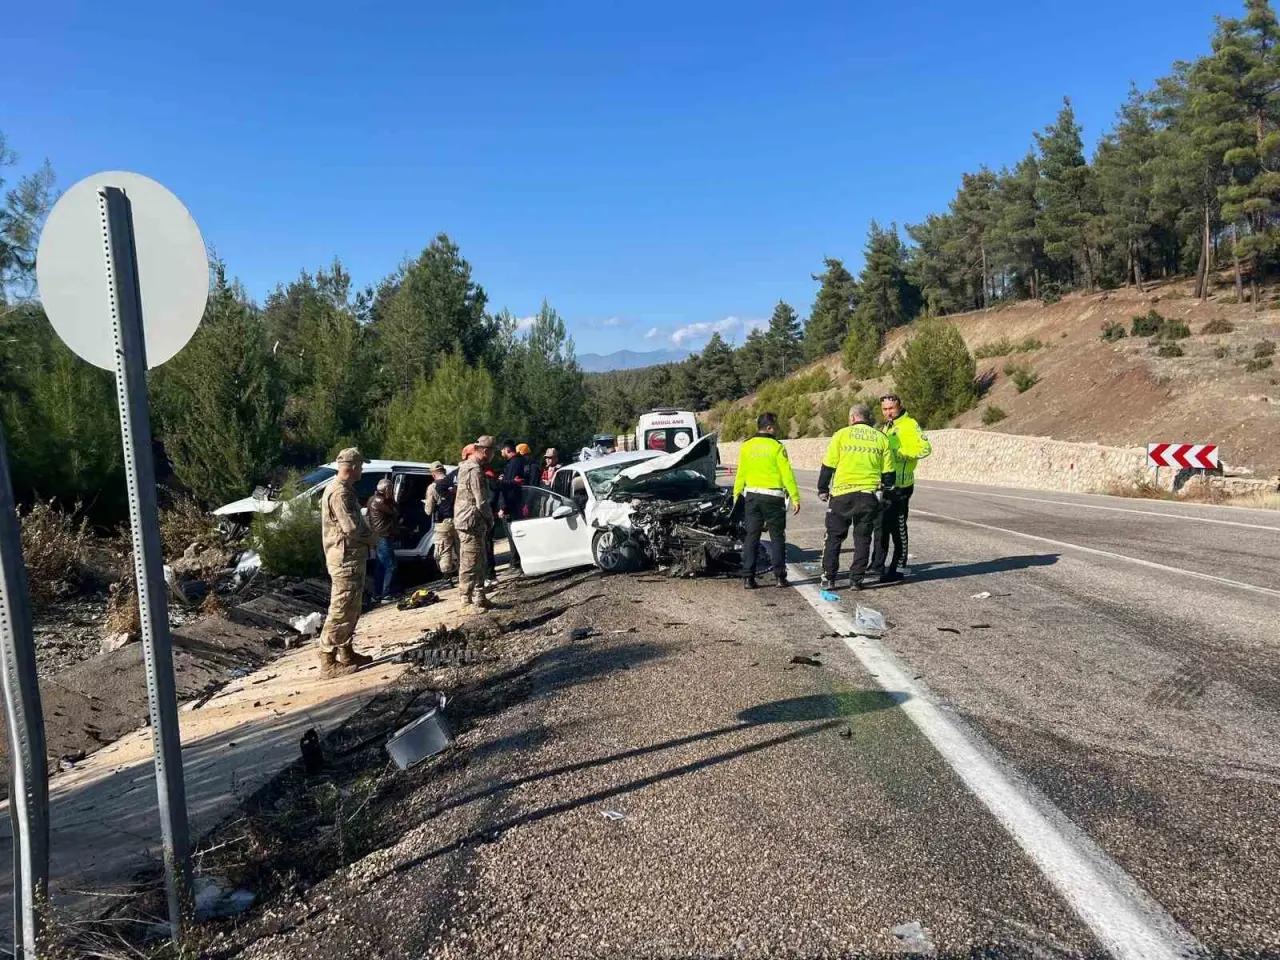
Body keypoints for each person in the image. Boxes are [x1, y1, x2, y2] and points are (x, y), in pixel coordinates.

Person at [818, 404, 894, 591]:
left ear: (852, 418)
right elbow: (889, 473)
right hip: (868, 496)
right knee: (863, 538)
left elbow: (828, 464)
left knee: (834, 537)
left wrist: (823, 488)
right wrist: (886, 494)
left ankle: (829, 577)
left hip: (842, 494)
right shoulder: (881, 438)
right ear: (868, 418)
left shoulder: (841, 434)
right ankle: (856, 580)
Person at [317, 448, 378, 677]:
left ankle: (346, 652)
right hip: (344, 558)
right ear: (352, 467)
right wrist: (373, 538)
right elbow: (351, 527)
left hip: (350, 556)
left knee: (352, 606)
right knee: (341, 608)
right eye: (360, 466)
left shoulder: (344, 490)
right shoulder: (339, 493)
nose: (361, 470)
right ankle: (327, 661)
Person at [732, 412, 801, 589]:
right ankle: (780, 577)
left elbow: (741, 473)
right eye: (775, 426)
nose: (776, 429)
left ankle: (748, 578)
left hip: (752, 496)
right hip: (773, 497)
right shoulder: (777, 446)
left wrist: (736, 494)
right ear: (769, 427)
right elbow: (786, 474)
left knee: (751, 537)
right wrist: (795, 497)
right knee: (777, 537)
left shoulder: (747, 446)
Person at [870, 393, 932, 584]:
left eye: (891, 408)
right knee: (881, 527)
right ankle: (877, 565)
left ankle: (898, 569)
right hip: (886, 486)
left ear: (899, 406)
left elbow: (925, 448)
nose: (888, 412)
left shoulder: (909, 425)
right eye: (885, 409)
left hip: (901, 487)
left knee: (898, 530)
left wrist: (902, 453)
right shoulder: (887, 427)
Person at [455, 436, 496, 609]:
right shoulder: (474, 469)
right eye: (493, 452)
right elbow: (481, 501)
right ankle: (466, 600)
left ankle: (480, 597)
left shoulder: (467, 466)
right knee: (470, 561)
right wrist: (490, 519)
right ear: (486, 451)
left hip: (471, 520)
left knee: (480, 559)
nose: (493, 456)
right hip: (470, 520)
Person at [499, 440, 531, 573]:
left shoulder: (514, 463)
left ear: (507, 450)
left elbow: (510, 489)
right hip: (518, 503)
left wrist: (504, 507)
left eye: (502, 450)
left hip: (513, 505)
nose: (501, 453)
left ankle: (516, 563)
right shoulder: (518, 462)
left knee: (513, 535)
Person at [423, 461, 458, 580]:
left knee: (444, 550)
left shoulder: (432, 487)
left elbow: (428, 510)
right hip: (459, 519)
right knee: (461, 549)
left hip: (443, 523)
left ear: (433, 475)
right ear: (444, 471)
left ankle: (447, 577)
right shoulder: (454, 483)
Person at [367, 477, 399, 602]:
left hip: (378, 535)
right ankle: (386, 594)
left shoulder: (372, 499)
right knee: (390, 566)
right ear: (386, 489)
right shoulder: (382, 501)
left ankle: (376, 594)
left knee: (381, 566)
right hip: (383, 536)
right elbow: (395, 511)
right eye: (390, 488)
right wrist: (392, 499)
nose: (392, 491)